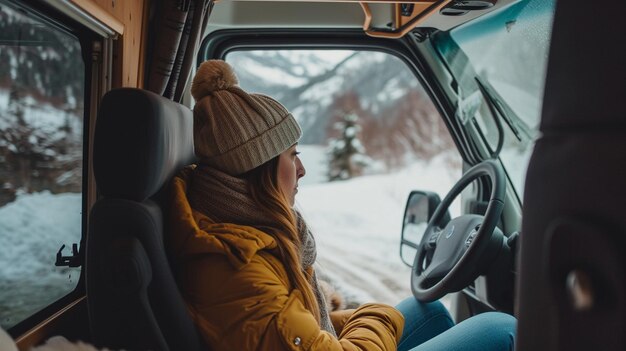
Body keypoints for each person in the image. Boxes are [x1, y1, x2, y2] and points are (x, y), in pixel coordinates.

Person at [168, 59, 516, 350]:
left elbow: (297, 331)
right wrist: (375, 315)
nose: (302, 170)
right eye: (293, 156)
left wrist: (361, 318)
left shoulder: (244, 229)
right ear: (257, 170)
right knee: (501, 329)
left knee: (431, 312)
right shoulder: (238, 269)